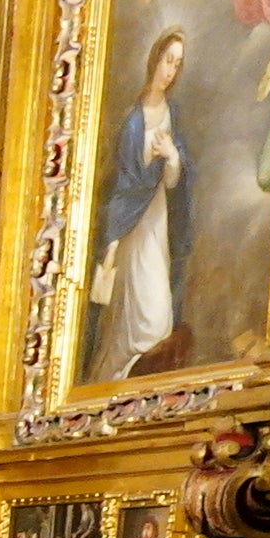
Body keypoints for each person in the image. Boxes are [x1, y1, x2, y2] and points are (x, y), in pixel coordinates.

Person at [89, 30, 189, 378]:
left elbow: (174, 181)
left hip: (156, 222)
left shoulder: (172, 113)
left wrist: (172, 156)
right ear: (154, 60)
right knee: (132, 320)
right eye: (167, 61)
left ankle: (134, 376)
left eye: (177, 64)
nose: (170, 71)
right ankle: (115, 377)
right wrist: (114, 236)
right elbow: (128, 185)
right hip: (132, 227)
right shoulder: (133, 121)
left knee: (158, 318)